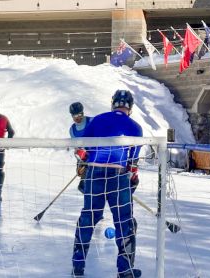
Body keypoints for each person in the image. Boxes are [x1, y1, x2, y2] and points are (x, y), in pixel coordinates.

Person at [72, 90, 142, 278]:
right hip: (118, 175)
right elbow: (132, 165)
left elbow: (83, 147)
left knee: (88, 218)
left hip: (94, 173)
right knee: (124, 221)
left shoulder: (97, 119)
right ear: (130, 107)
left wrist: (83, 165)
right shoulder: (135, 127)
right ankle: (125, 270)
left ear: (113, 104)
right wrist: (133, 179)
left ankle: (78, 265)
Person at [69, 102, 92, 194]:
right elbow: (78, 150)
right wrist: (80, 164)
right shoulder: (72, 130)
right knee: (83, 187)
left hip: (99, 160)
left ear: (83, 113)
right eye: (74, 115)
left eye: (79, 114)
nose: (77, 118)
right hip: (86, 161)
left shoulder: (91, 121)